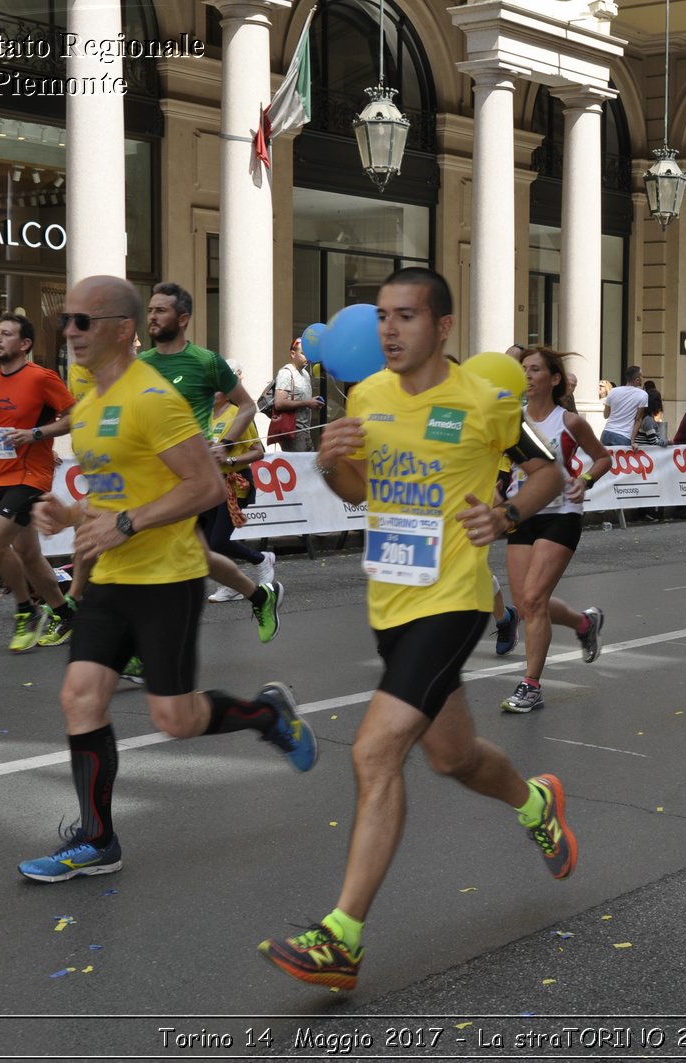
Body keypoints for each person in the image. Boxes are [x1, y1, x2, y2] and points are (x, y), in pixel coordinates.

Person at [258, 267, 574, 991]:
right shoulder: (366, 397)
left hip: (454, 599)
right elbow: (358, 491)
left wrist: (507, 515)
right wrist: (331, 461)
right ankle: (536, 802)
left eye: (405, 316)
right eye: (382, 318)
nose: (390, 331)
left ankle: (342, 935)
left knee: (374, 753)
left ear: (442, 327)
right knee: (452, 757)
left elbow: (548, 472)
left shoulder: (481, 397)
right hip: (390, 604)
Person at [15, 275, 314, 885]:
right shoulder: (92, 404)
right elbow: (115, 494)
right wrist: (71, 515)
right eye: (66, 321)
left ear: (121, 330)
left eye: (81, 322)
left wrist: (127, 522)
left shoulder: (155, 398)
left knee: (174, 720)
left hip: (168, 579)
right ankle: (98, 841)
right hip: (112, 579)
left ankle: (266, 716)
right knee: (80, 697)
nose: (68, 332)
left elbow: (204, 486)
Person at [139, 283, 281, 639]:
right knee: (198, 555)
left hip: (193, 479)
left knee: (165, 557)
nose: (152, 317)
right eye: (150, 310)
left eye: (161, 311)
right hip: (152, 477)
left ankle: (152, 645)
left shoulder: (206, 362)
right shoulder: (139, 366)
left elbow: (248, 405)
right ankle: (259, 595)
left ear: (182, 318)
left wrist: (226, 443)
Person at [0, 314, 80, 651]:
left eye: (6, 334)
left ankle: (26, 610)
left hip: (31, 475)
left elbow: (74, 417)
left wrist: (36, 434)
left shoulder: (42, 378)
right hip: (4, 474)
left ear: (25, 344)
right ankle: (66, 615)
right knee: (27, 552)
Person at [499, 346, 612, 713]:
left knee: (532, 600)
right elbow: (502, 470)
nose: (528, 375)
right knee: (531, 604)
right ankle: (583, 623)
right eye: (524, 370)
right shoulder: (510, 421)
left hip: (562, 512)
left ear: (555, 378)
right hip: (522, 514)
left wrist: (586, 480)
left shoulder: (569, 422)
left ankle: (530, 684)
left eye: (535, 370)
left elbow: (603, 457)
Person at [205, 362, 275, 602]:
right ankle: (229, 584)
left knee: (218, 541)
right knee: (207, 542)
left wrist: (231, 458)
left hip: (234, 484)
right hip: (209, 484)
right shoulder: (203, 417)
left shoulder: (238, 415)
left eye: (215, 388)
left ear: (226, 390)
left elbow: (258, 451)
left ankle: (261, 559)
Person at [271, 337, 324, 452]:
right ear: (293, 354)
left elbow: (305, 402)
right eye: (303, 353)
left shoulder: (305, 374)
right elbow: (279, 403)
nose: (307, 357)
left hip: (306, 430)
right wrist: (308, 402)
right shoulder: (285, 373)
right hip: (293, 431)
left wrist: (313, 403)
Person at [601, 366, 648, 447]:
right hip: (624, 436)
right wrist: (632, 440)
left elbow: (606, 415)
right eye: (641, 376)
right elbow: (638, 419)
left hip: (607, 433)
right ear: (637, 379)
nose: (642, 378)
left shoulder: (613, 391)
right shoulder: (643, 394)